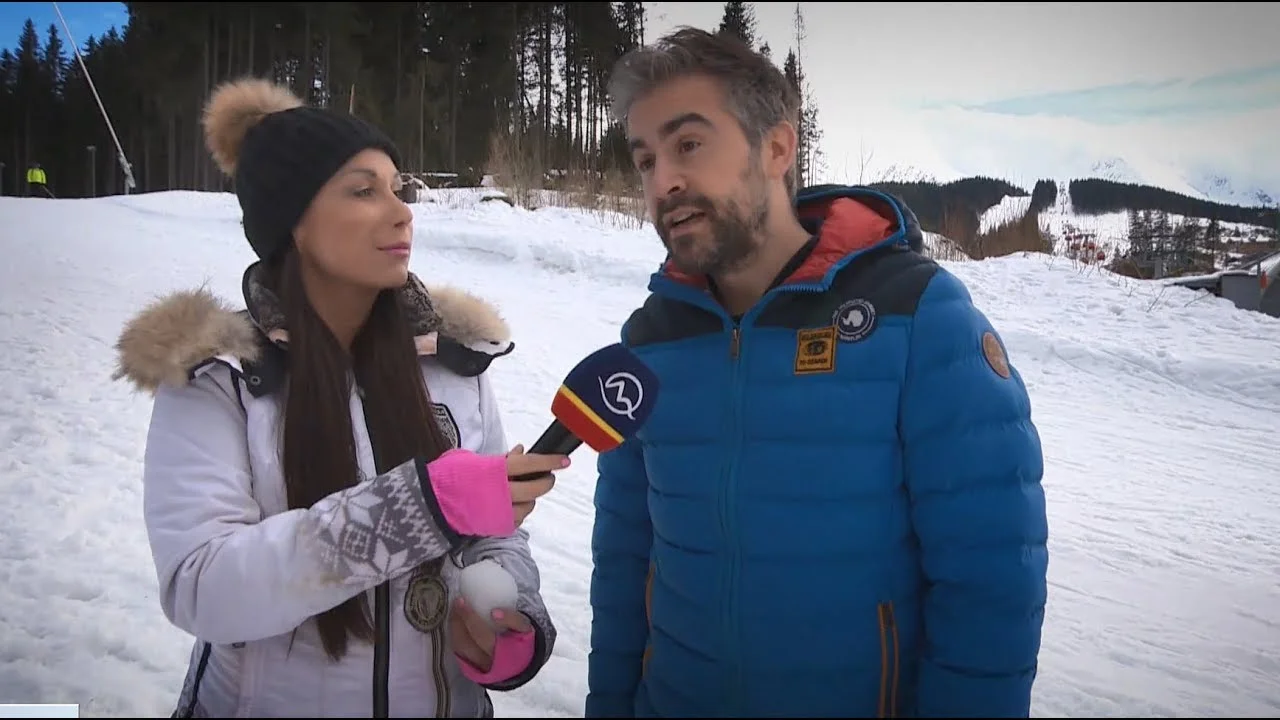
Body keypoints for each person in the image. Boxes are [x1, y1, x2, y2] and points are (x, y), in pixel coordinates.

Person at [587, 27, 1049, 719]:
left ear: (776, 148)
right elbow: (624, 567)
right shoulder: (651, 341)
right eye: (646, 159)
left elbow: (991, 583)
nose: (664, 182)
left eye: (689, 145)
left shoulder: (916, 316)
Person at [112, 78, 563, 718]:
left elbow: (496, 537)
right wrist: (415, 508)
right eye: (363, 191)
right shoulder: (220, 381)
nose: (403, 211)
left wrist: (509, 617)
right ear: (293, 223)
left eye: (399, 189)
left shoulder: (454, 365)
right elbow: (201, 587)